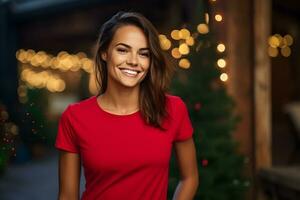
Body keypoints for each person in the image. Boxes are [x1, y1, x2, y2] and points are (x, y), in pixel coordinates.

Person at [55, 11, 199, 200]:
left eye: (143, 53)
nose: (133, 61)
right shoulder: (75, 117)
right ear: (105, 52)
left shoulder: (172, 109)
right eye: (122, 50)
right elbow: (67, 196)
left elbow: (190, 178)